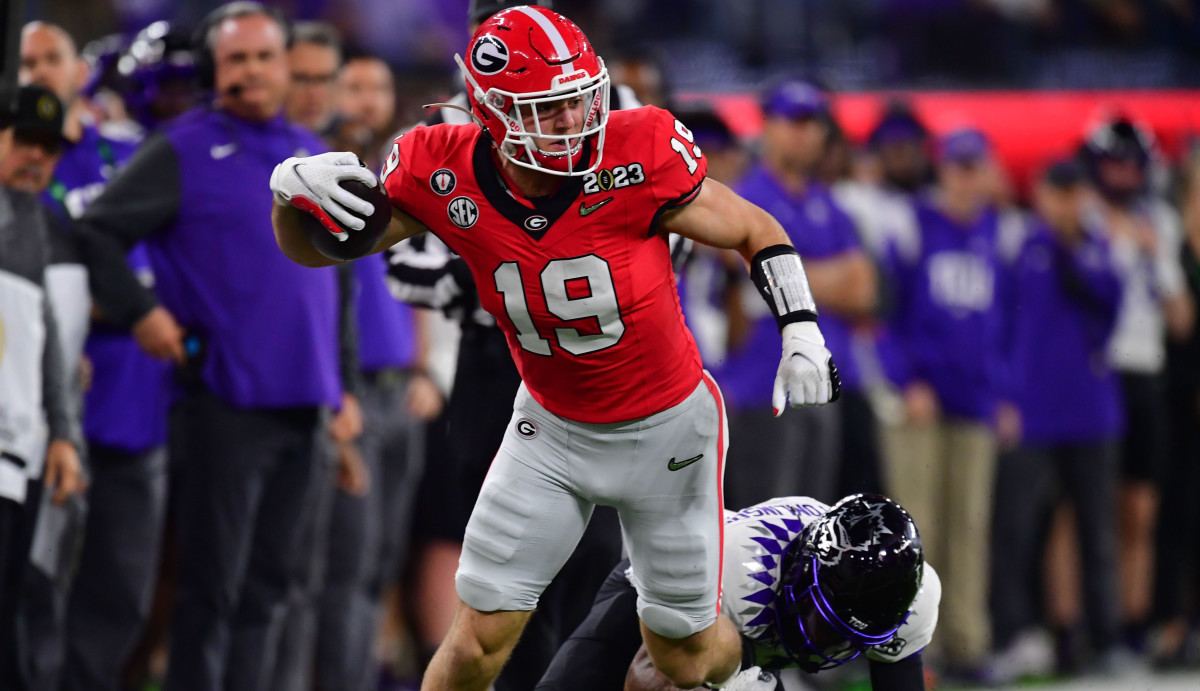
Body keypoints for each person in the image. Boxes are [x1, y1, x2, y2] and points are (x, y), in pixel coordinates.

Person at [269, 6, 839, 690]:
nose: (572, 121)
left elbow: (753, 227)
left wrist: (800, 326)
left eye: (576, 99)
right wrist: (288, 197)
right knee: (476, 639)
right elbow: (322, 249)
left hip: (668, 428)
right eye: (546, 108)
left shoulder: (637, 149)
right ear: (489, 111)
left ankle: (755, 661)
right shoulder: (439, 168)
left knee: (682, 657)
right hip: (552, 431)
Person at [75, 4, 355, 689]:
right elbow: (96, 231)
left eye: (264, 57)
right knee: (212, 591)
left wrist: (341, 381)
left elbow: (335, 280)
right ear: (214, 71)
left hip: (306, 406)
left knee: (271, 588)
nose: (252, 71)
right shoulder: (183, 146)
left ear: (288, 65)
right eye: (237, 59)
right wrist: (143, 312)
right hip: (221, 404)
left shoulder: (314, 155)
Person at [538, 494, 938, 691]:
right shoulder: (727, 565)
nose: (826, 646)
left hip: (745, 647)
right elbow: (645, 681)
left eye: (849, 640)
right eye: (826, 625)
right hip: (665, 593)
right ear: (799, 573)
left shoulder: (911, 605)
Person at [876, 127, 1018, 676]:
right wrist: (906, 380)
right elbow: (883, 317)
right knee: (919, 526)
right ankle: (913, 645)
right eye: (956, 167)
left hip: (976, 397)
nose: (964, 178)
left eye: (973, 167)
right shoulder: (911, 226)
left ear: (985, 172)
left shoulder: (998, 233)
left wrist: (1004, 392)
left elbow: (1008, 323)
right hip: (921, 400)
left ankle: (966, 642)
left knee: (971, 524)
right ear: (943, 171)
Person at [988, 160, 1127, 679]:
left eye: (1074, 193)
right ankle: (1010, 636)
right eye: (1058, 192)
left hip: (1092, 413)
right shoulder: (1020, 248)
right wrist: (1002, 397)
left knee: (1098, 531)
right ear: (1041, 194)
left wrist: (1074, 246)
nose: (1066, 203)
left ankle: (1107, 640)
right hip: (1030, 414)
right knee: (1016, 530)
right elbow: (997, 324)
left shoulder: (1097, 248)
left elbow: (1113, 302)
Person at [717, 79, 876, 508]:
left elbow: (864, 289)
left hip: (823, 385)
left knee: (810, 524)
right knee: (762, 527)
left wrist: (791, 274)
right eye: (793, 121)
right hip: (762, 385)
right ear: (768, 127)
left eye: (813, 123)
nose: (805, 133)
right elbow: (748, 269)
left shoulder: (828, 203)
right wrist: (830, 278)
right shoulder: (746, 197)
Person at [1079, 116, 1194, 655]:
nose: (1122, 174)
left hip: (1146, 372)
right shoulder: (1080, 214)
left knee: (1139, 510)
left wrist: (1156, 258)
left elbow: (1181, 322)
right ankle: (1078, 626)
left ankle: (1133, 623)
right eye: (1113, 163)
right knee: (1081, 506)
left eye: (1130, 164)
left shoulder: (1161, 224)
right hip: (1090, 370)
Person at [0, 85, 86, 691]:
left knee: (11, 613)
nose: (37, 158)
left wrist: (62, 431)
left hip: (16, 454)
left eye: (49, 149)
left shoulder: (35, 219)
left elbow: (45, 334)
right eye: (23, 140)